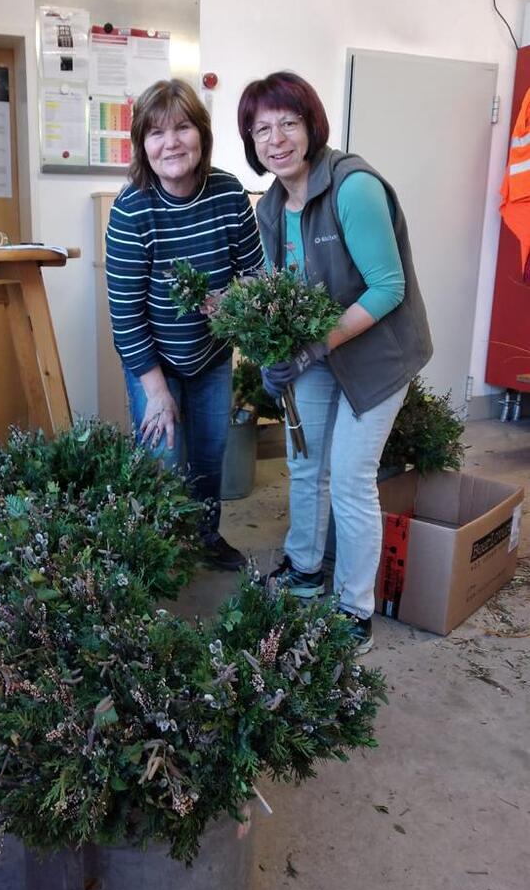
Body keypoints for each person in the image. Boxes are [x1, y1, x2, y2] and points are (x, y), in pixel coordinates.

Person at [237, 70, 432, 653]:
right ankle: (303, 571)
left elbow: (388, 287)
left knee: (349, 478)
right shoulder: (273, 205)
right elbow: (280, 298)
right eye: (261, 129)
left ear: (312, 126)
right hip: (317, 352)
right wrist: (274, 353)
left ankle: (354, 608)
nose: (276, 139)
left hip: (377, 356)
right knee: (305, 464)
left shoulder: (353, 187)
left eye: (288, 123)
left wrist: (313, 346)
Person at [106, 79, 266, 571]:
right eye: (156, 133)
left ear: (202, 134)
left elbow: (256, 274)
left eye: (182, 128)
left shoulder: (229, 194)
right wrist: (156, 392)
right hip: (153, 361)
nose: (171, 143)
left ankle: (206, 538)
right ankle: (160, 555)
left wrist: (233, 300)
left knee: (211, 454)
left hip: (211, 356)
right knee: (163, 460)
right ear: (142, 145)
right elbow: (126, 318)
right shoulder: (131, 210)